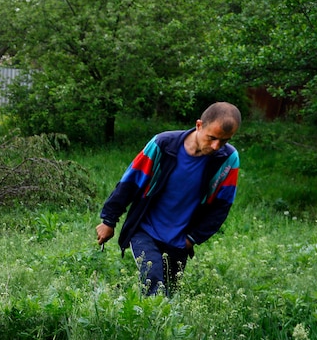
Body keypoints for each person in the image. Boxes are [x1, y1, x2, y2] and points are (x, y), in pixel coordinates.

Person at [95, 102, 241, 296]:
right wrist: (109, 220)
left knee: (169, 293)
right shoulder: (163, 144)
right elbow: (131, 181)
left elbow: (222, 206)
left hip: (179, 240)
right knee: (154, 281)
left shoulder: (228, 159)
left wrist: (192, 239)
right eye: (212, 138)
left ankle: (145, 317)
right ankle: (146, 324)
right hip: (144, 229)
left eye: (223, 141)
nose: (216, 146)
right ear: (199, 125)